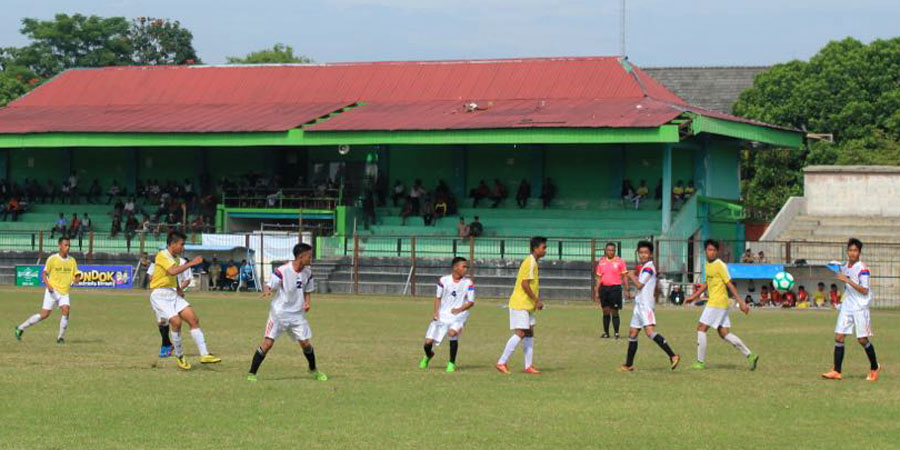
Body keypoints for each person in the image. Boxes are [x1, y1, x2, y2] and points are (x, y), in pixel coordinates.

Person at [247, 243, 327, 382]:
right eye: (309, 255)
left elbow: (307, 290)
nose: (311, 258)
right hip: (279, 314)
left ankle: (313, 370)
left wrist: (308, 302)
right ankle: (252, 373)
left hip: (297, 314)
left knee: (306, 344)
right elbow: (270, 284)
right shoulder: (283, 270)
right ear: (301, 257)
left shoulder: (308, 273)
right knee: (268, 344)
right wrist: (267, 290)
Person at [148, 231, 220, 370]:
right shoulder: (162, 255)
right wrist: (192, 263)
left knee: (193, 319)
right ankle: (180, 356)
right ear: (173, 244)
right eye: (182, 244)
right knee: (176, 322)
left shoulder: (174, 258)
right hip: (159, 295)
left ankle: (205, 354)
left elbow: (171, 276)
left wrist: (179, 289)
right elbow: (173, 271)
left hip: (172, 293)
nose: (183, 247)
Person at [685, 239, 759, 371]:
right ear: (705, 251)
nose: (711, 252)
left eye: (713, 250)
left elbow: (729, 284)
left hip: (717, 303)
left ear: (717, 252)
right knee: (724, 333)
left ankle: (700, 362)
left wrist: (741, 302)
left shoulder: (720, 265)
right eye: (709, 249)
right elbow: (707, 283)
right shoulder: (707, 264)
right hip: (720, 303)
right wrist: (693, 297)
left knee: (701, 328)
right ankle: (750, 355)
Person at [822, 238, 881, 381]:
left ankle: (874, 367)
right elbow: (840, 269)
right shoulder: (845, 266)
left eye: (855, 250)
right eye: (850, 250)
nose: (852, 253)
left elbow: (864, 290)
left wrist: (847, 280)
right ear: (847, 252)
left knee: (862, 339)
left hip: (860, 307)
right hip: (847, 306)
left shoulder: (863, 269)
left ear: (859, 252)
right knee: (839, 336)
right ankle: (837, 371)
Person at [619, 240, 680, 371]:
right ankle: (629, 365)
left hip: (646, 306)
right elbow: (643, 289)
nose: (643, 255)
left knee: (650, 332)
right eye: (641, 252)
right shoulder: (644, 268)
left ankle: (673, 355)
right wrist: (634, 296)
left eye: (646, 253)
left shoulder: (648, 268)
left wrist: (630, 275)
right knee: (633, 333)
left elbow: (639, 284)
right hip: (639, 305)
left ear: (651, 254)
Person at [14, 237, 83, 343]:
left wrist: (77, 279)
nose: (67, 247)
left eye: (69, 245)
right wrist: (48, 285)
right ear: (59, 245)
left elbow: (77, 273)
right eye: (65, 245)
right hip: (52, 291)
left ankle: (60, 338)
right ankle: (20, 328)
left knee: (66, 310)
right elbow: (44, 273)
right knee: (44, 315)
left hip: (64, 292)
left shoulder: (71, 260)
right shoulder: (52, 259)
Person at [496, 236, 547, 375]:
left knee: (529, 332)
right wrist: (537, 300)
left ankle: (528, 366)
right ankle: (501, 362)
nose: (545, 250)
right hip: (520, 304)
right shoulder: (530, 262)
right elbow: (525, 284)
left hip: (527, 305)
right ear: (536, 248)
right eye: (544, 247)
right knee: (521, 332)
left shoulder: (533, 262)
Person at [419, 257, 475, 373]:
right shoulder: (444, 280)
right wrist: (435, 313)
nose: (466, 269)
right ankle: (428, 355)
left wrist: (459, 309)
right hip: (442, 315)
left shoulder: (468, 283)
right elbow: (438, 297)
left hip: (459, 316)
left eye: (466, 267)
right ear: (455, 267)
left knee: (452, 334)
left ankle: (451, 363)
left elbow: (471, 302)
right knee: (427, 343)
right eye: (463, 266)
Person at [147, 256, 194, 358]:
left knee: (175, 320)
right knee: (162, 321)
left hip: (174, 296)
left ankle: (171, 347)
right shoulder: (158, 259)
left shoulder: (182, 262)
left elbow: (187, 279)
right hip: (159, 295)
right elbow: (150, 276)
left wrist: (179, 288)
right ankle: (167, 344)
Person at [594, 242, 627, 339]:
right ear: (605, 250)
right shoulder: (602, 262)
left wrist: (627, 288)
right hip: (604, 288)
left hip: (615, 288)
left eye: (612, 250)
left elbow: (624, 276)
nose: (610, 252)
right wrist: (596, 290)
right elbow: (599, 278)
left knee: (615, 311)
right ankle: (606, 333)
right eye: (608, 250)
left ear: (615, 251)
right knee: (605, 311)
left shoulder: (620, 261)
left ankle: (616, 333)